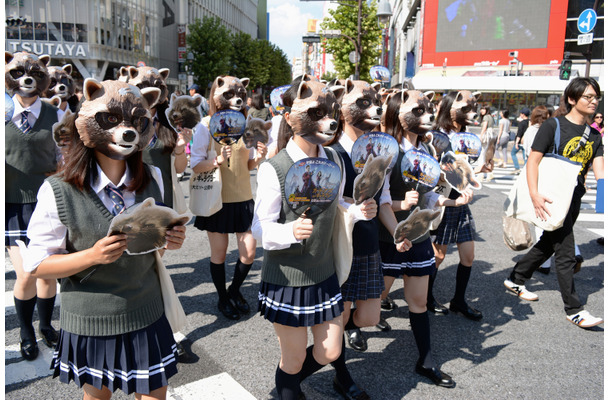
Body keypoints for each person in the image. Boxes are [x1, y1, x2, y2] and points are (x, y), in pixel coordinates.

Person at [21, 79, 186, 399]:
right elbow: (37, 263)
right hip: (91, 319)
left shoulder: (151, 177)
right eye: (111, 118)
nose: (127, 130)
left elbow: (151, 252)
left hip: (146, 310)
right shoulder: (58, 190)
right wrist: (91, 256)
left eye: (138, 121)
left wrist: (168, 240)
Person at [252, 79, 374, 400]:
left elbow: (339, 206)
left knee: (330, 351)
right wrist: (288, 232)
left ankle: (287, 385)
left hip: (324, 272)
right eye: (317, 112)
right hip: (287, 278)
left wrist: (358, 209)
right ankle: (287, 389)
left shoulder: (334, 159)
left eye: (332, 112)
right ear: (291, 117)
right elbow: (259, 229)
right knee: (292, 360)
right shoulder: (273, 168)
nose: (329, 120)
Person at [378, 91, 471, 388]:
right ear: (397, 113)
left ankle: (426, 361)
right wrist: (398, 218)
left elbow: (431, 195)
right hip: (388, 235)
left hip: (417, 236)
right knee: (371, 303)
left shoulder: (429, 151)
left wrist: (451, 201)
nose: (428, 116)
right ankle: (350, 329)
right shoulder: (387, 149)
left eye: (428, 110)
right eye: (418, 110)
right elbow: (375, 201)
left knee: (418, 302)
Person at [503, 77, 604, 328]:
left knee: (548, 242)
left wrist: (604, 199)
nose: (594, 102)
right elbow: (533, 161)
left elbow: (600, 170)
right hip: (550, 197)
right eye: (588, 97)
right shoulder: (553, 126)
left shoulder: (594, 134)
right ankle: (574, 309)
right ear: (572, 99)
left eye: (596, 97)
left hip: (574, 198)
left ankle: (516, 278)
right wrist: (535, 194)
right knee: (566, 252)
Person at [191, 76, 268, 320]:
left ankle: (234, 290)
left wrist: (260, 157)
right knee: (220, 254)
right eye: (229, 93)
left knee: (249, 252)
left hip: (243, 197)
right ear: (217, 93)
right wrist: (216, 161)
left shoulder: (246, 124)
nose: (236, 98)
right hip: (217, 198)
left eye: (239, 94)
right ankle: (222, 298)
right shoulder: (205, 125)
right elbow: (195, 165)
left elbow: (248, 163)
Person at [6, 52, 62, 362]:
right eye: (17, 71)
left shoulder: (55, 114)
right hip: (13, 203)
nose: (26, 79)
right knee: (28, 272)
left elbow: (66, 155)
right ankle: (25, 332)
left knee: (48, 273)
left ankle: (45, 325)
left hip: (48, 201)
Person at [429, 91, 482, 322]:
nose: (472, 112)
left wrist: (480, 171)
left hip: (461, 203)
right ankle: (426, 297)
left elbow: (467, 169)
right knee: (438, 255)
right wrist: (452, 192)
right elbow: (430, 178)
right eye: (466, 108)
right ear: (451, 107)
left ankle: (459, 300)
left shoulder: (466, 137)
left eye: (473, 107)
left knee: (468, 255)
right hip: (443, 201)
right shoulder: (434, 136)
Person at [478, 106, 496, 181]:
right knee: (489, 155)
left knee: (482, 154)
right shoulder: (491, 117)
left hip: (486, 135)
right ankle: (490, 173)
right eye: (481, 109)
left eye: (483, 109)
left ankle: (480, 175)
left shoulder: (485, 117)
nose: (482, 110)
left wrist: (481, 136)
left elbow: (484, 127)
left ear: (487, 110)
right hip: (492, 135)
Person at [511, 107, 529, 172]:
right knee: (525, 157)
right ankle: (525, 169)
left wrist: (516, 143)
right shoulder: (529, 122)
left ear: (523, 114)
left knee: (513, 153)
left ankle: (517, 168)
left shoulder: (522, 123)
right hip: (526, 141)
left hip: (520, 142)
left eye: (521, 113)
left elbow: (519, 133)